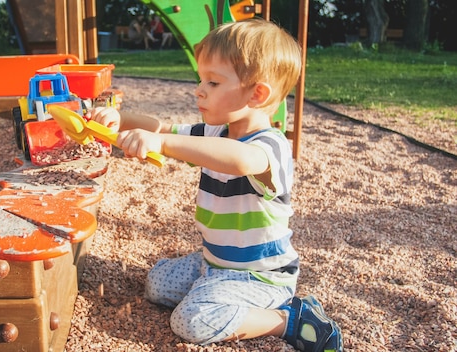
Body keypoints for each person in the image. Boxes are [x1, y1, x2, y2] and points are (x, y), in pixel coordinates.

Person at [89, 19, 343, 352]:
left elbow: (238, 160)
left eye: (213, 82)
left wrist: (161, 144)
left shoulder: (270, 147)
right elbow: (161, 125)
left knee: (190, 320)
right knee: (156, 284)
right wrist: (120, 120)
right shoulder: (215, 133)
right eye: (201, 79)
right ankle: (214, 287)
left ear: (257, 94)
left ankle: (291, 319)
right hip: (216, 263)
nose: (199, 89)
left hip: (261, 277)